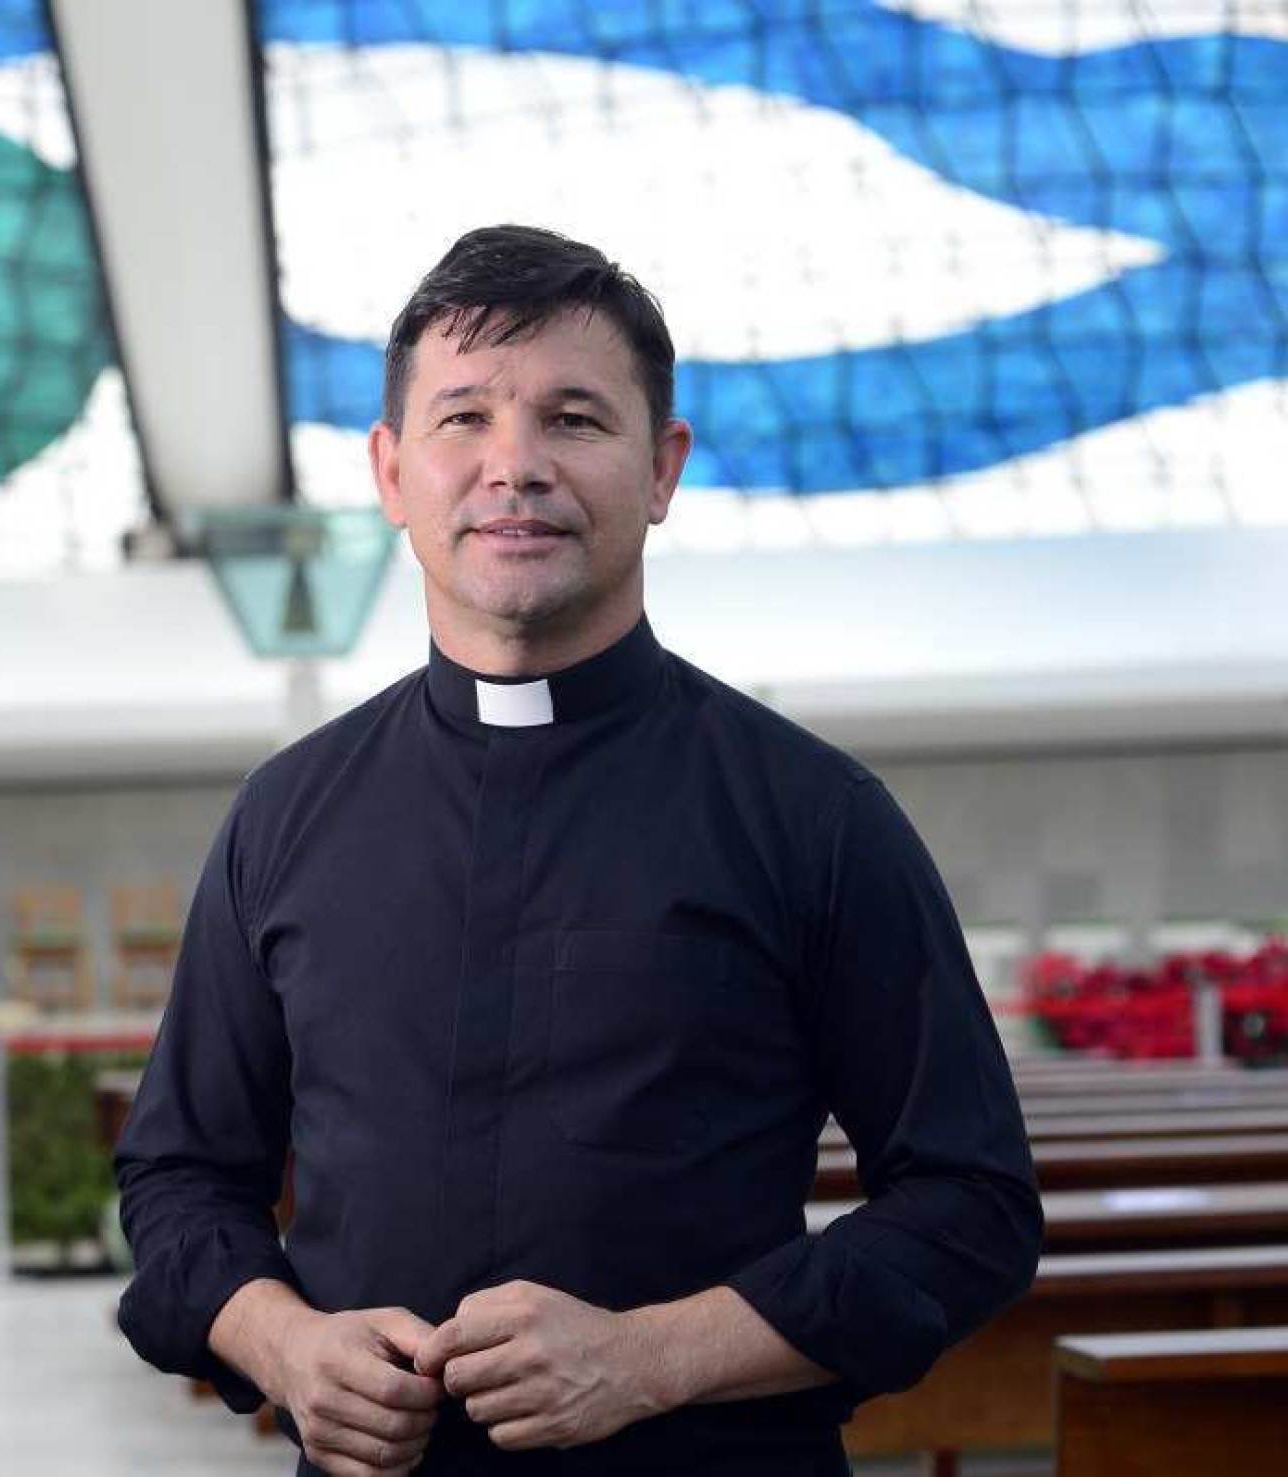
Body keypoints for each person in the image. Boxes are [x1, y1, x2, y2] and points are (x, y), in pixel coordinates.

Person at [113, 225, 1042, 1476]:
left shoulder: (811, 814)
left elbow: (968, 1208)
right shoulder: (284, 817)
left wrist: (648, 1357)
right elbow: (179, 1177)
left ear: (660, 468)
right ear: (390, 472)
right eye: (462, 420)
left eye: (572, 418)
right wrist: (282, 1344)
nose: (514, 467)